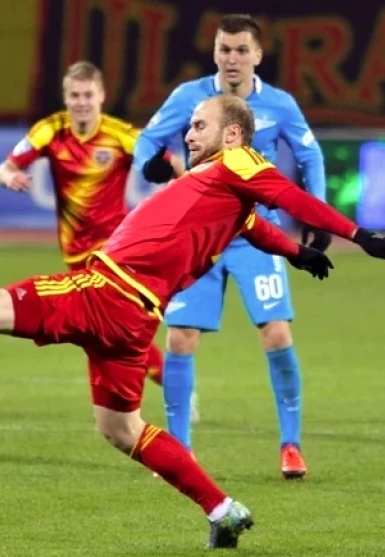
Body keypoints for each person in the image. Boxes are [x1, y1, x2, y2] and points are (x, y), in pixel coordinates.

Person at [0, 95, 385, 548]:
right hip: (134, 319)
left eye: (199, 125)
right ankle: (222, 509)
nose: (188, 133)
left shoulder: (240, 162)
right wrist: (297, 252)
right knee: (120, 428)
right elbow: (257, 225)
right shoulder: (220, 190)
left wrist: (358, 234)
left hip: (106, 289)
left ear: (231, 132)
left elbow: (287, 197)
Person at [133, 13, 330, 479]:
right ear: (215, 53)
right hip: (197, 236)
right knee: (180, 336)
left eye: (242, 50)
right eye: (225, 49)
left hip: (255, 236)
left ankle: (291, 445)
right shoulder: (190, 97)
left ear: (258, 55)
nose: (232, 58)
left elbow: (310, 155)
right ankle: (179, 451)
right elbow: (147, 139)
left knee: (276, 333)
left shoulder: (279, 104)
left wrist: (316, 211)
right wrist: (150, 165)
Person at [0, 60, 184, 392]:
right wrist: (10, 176)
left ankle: (173, 391)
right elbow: (5, 167)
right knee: (102, 333)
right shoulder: (51, 130)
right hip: (75, 253)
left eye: (87, 95)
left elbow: (175, 164)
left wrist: (176, 202)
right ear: (65, 97)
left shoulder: (119, 135)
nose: (81, 102)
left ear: (101, 96)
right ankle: (171, 389)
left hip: (115, 252)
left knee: (105, 328)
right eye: (75, 95)